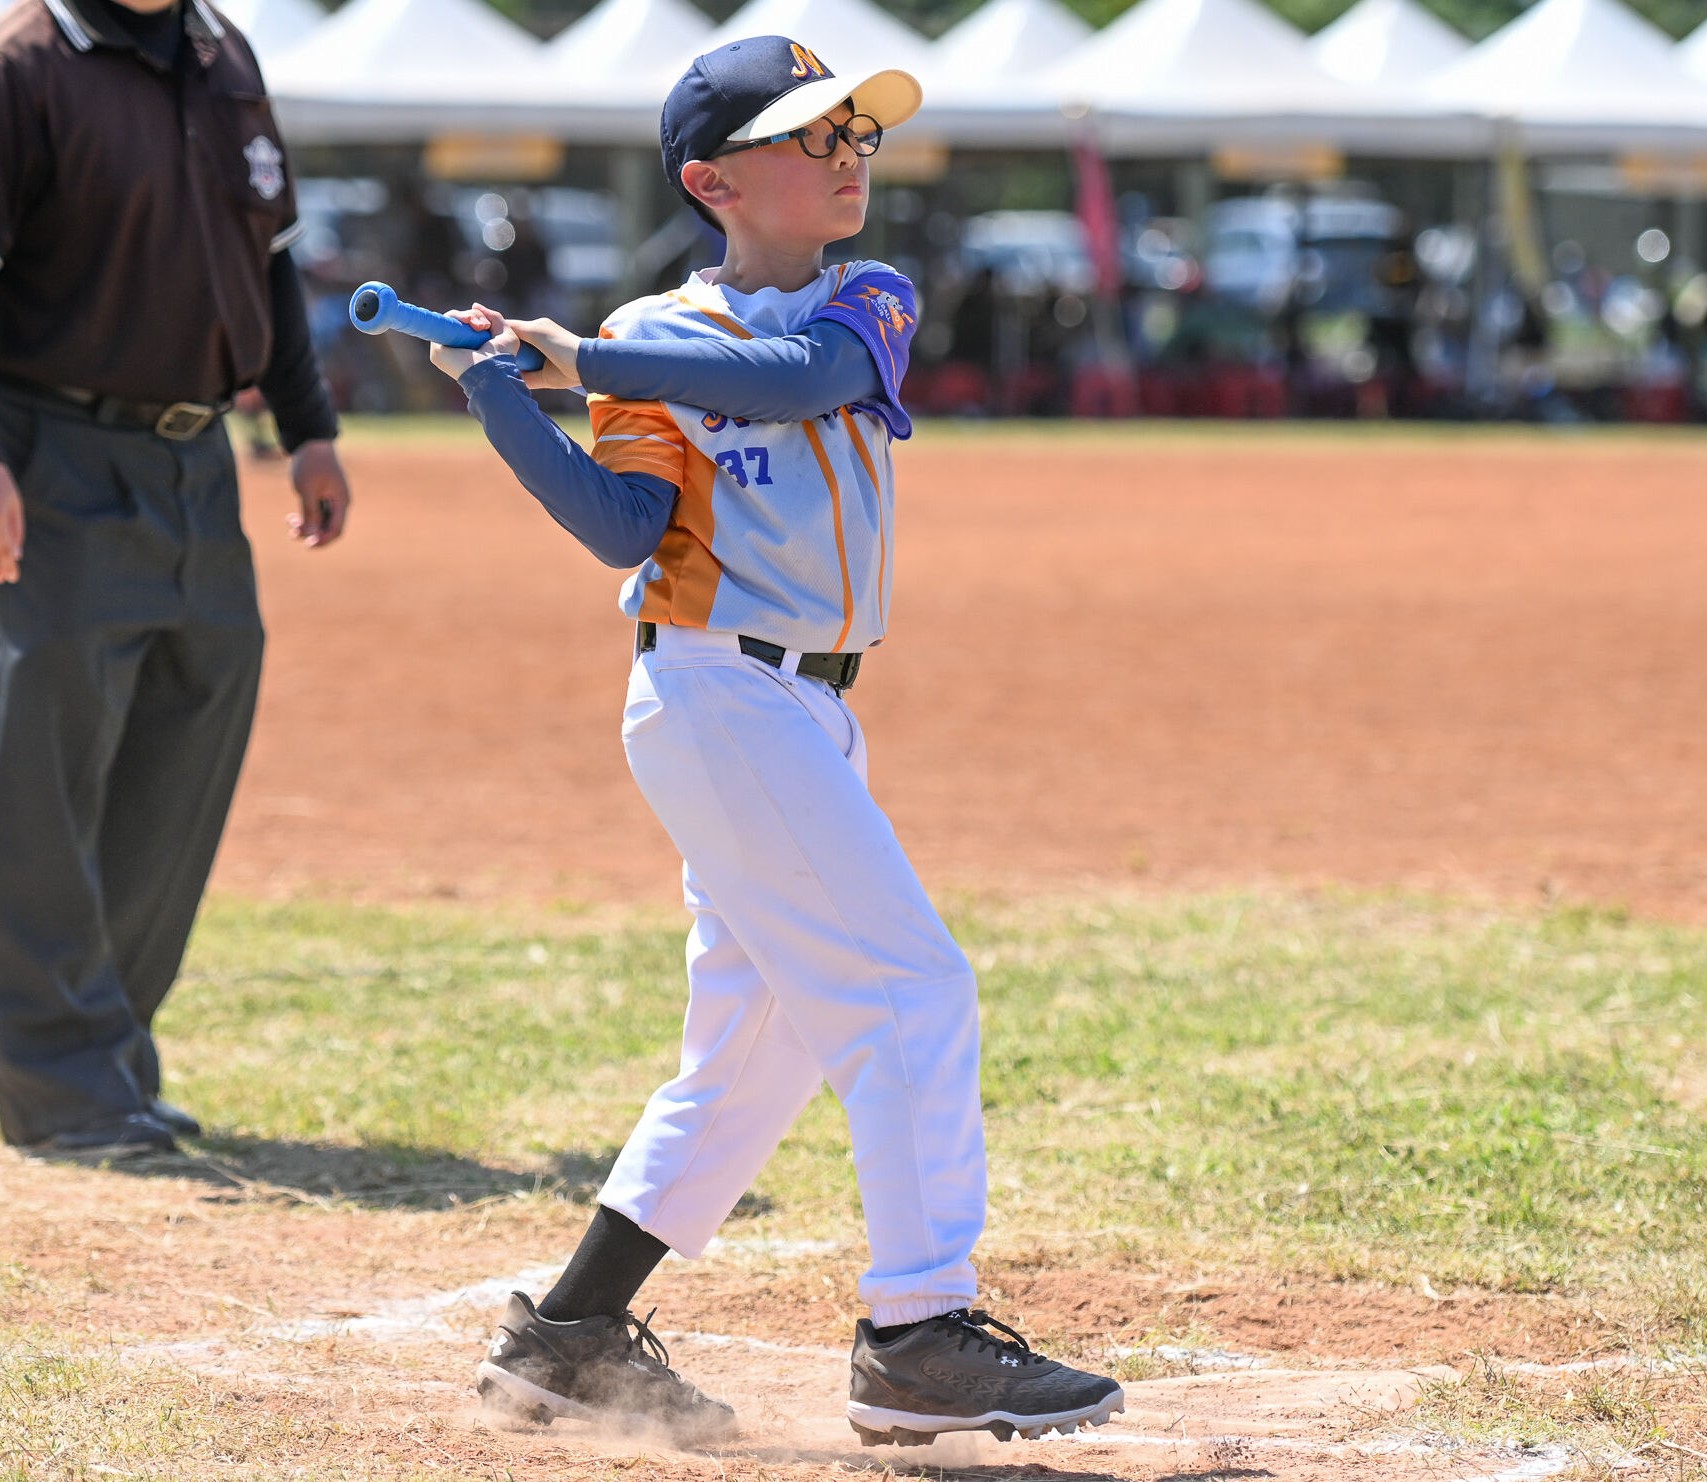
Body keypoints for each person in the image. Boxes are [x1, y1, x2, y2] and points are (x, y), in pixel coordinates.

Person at [426, 35, 1124, 1452]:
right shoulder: (648, 328)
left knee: (759, 1045)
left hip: (800, 709)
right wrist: (503, 389)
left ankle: (566, 1336)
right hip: (715, 691)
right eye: (812, 136)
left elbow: (798, 381)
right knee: (910, 988)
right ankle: (916, 1334)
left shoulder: (866, 297)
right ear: (711, 183)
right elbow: (624, 525)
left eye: (855, 133)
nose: (848, 154)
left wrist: (582, 355)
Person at [0, 0, 352, 1158]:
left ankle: (104, 1055)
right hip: (51, 447)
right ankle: (53, 1084)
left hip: (198, 462)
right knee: (37, 774)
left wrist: (308, 427)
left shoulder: (221, 51)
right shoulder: (26, 61)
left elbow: (269, 256)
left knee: (186, 745)